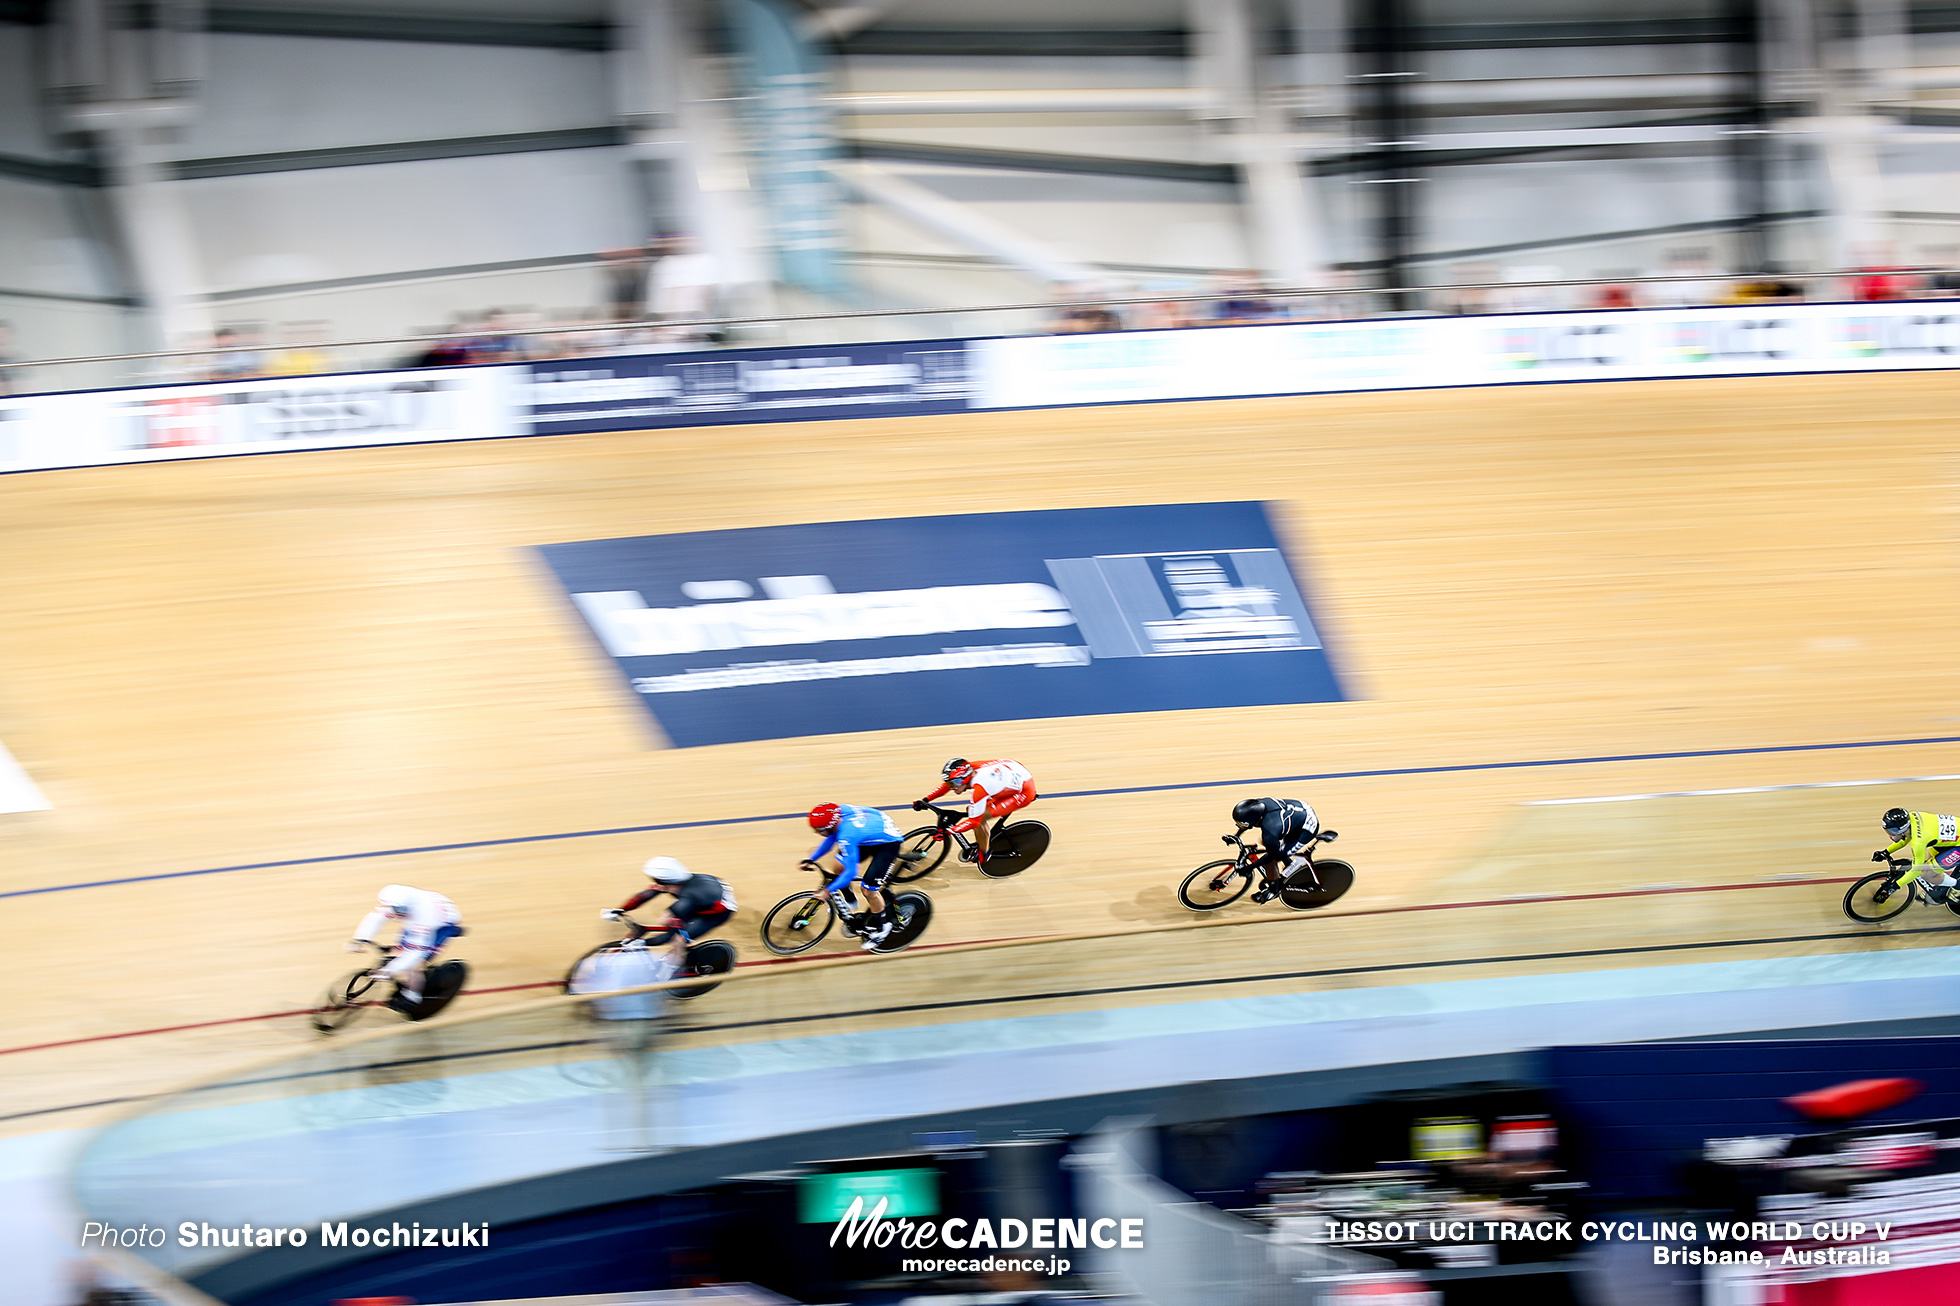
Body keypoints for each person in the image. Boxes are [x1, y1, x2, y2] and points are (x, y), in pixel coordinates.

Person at [804, 801, 906, 950]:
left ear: (831, 824)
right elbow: (831, 838)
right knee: (838, 867)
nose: (816, 832)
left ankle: (881, 928)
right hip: (868, 835)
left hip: (888, 845)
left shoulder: (847, 835)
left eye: (819, 829)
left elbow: (852, 873)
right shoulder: (838, 814)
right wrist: (811, 858)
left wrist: (827, 891)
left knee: (869, 890)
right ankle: (851, 901)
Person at [601, 855, 736, 966]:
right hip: (708, 896)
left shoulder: (687, 901)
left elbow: (668, 936)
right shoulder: (674, 883)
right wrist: (620, 909)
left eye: (656, 880)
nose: (654, 883)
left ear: (667, 881)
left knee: (677, 939)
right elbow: (644, 896)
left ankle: (671, 973)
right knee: (669, 920)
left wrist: (644, 943)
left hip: (716, 913)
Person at [345, 884, 462, 1009]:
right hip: (425, 911)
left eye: (399, 911)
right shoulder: (395, 901)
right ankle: (402, 969)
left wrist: (389, 971)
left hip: (441, 925)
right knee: (399, 951)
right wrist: (359, 939)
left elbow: (415, 953)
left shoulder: (423, 918)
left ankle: (412, 996)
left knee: (413, 965)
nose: (395, 913)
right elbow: (374, 918)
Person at [915, 757, 1036, 867]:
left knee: (979, 816)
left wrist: (949, 832)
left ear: (966, 778)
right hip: (1011, 772)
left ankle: (985, 852)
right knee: (974, 810)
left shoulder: (979, 788)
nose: (953, 787)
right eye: (950, 783)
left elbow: (974, 822)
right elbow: (946, 785)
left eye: (955, 784)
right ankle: (985, 836)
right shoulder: (968, 769)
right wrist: (926, 799)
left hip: (1023, 791)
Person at [1231, 796, 1319, 903]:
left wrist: (1250, 867)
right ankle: (1289, 865)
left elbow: (1271, 856)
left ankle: (1274, 890)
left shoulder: (1270, 829)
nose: (1240, 826)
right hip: (1299, 814)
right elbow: (1246, 824)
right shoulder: (1258, 805)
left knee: (1271, 859)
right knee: (1270, 845)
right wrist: (1236, 836)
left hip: (1306, 828)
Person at [1875, 807, 1960, 903]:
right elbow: (1905, 839)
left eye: (1892, 832)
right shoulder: (1911, 819)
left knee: (1926, 874)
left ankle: (1958, 885)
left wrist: (1897, 884)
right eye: (1888, 831)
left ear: (1902, 829)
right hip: (1952, 840)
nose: (1890, 835)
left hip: (1958, 846)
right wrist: (1886, 851)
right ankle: (1941, 886)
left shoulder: (1918, 842)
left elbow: (1916, 871)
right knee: (1928, 861)